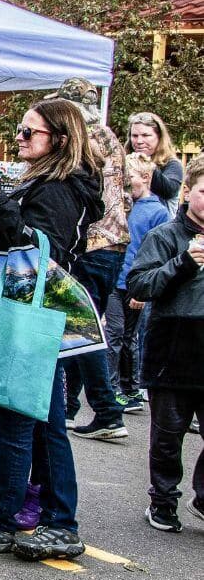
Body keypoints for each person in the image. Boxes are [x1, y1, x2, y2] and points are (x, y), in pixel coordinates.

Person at [0, 98, 103, 560]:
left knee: (20, 422)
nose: (18, 137)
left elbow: (43, 253)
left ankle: (1, 520)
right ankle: (59, 522)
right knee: (42, 424)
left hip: (28, 316)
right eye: (19, 130)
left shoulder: (59, 189)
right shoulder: (51, 183)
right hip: (29, 315)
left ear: (59, 139)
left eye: (28, 132)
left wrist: (1, 209)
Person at [47, 78, 129, 439]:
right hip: (113, 240)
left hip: (94, 240)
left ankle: (108, 410)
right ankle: (73, 404)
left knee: (82, 327)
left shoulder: (85, 137)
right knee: (81, 323)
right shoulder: (108, 135)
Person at [125, 156, 204, 532]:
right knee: (168, 436)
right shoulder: (166, 236)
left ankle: (202, 497)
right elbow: (140, 285)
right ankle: (163, 500)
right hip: (173, 347)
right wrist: (183, 263)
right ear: (188, 193)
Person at [111, 153, 171, 413]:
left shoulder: (158, 212)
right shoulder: (124, 206)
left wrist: (144, 291)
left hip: (136, 285)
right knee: (114, 335)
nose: (125, 183)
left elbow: (158, 255)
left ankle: (131, 388)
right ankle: (113, 389)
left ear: (145, 178)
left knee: (129, 338)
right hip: (116, 280)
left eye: (130, 178)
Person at [126, 111, 183, 209]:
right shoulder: (124, 161)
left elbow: (169, 190)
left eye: (146, 135)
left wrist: (147, 165)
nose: (139, 141)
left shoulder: (172, 164)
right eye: (135, 136)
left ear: (159, 137)